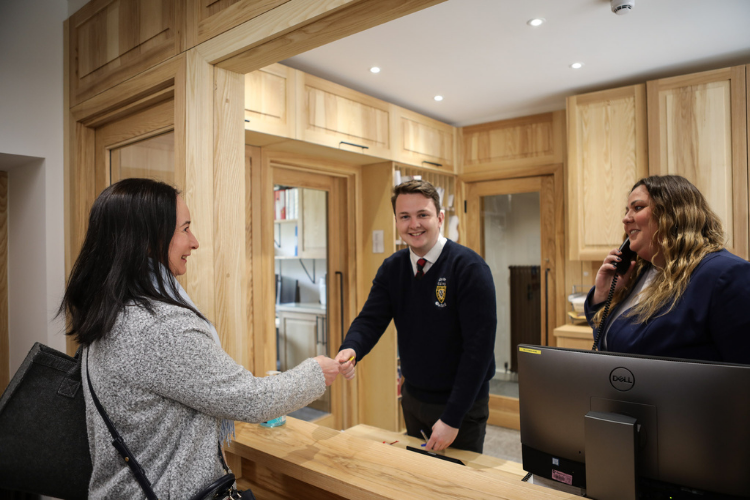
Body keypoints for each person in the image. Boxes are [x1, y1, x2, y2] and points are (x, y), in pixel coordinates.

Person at [59, 178, 342, 499]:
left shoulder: (111, 312)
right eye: (185, 229)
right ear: (148, 239)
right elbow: (253, 400)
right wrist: (317, 371)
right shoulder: (161, 326)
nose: (194, 242)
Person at [336, 180, 497, 453]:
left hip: (461, 405)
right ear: (397, 221)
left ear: (440, 218)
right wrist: (351, 348)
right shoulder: (392, 269)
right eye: (405, 217)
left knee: (456, 487)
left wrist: (452, 417)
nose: (414, 224)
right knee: (419, 481)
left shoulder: (469, 268)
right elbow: (370, 320)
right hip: (413, 399)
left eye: (423, 214)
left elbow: (478, 351)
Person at [585, 174, 750, 363]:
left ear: (673, 214)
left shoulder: (725, 274)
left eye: (637, 208)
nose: (625, 219)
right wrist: (603, 294)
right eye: (626, 210)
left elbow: (743, 370)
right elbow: (608, 333)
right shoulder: (642, 270)